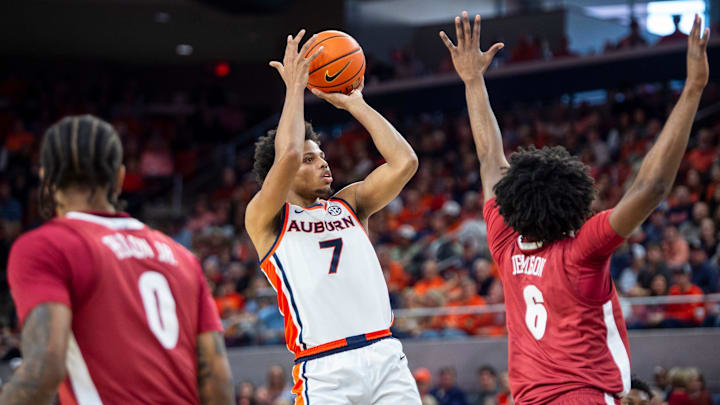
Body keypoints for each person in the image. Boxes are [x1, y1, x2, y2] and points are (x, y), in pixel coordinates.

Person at [439, 11, 709, 405]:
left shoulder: (504, 241)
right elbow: (652, 186)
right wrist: (693, 88)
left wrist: (473, 81)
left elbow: (490, 159)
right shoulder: (583, 250)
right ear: (574, 203)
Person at [1, 115, 234, 404]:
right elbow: (219, 387)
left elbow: (43, 372)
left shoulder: (47, 245)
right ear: (120, 178)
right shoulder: (182, 258)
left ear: (46, 177)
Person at [245, 29, 420, 404]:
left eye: (322, 154)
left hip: (386, 356)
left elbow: (405, 162)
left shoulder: (349, 204)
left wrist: (354, 104)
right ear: (283, 172)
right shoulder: (267, 218)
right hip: (324, 368)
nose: (323, 161)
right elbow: (288, 154)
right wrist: (295, 87)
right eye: (311, 159)